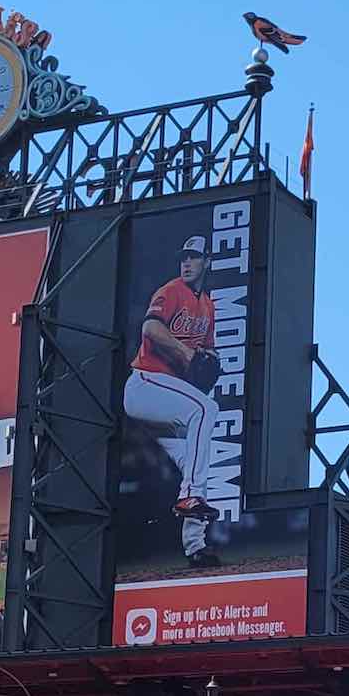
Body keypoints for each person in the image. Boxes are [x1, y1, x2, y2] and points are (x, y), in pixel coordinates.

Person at [123, 234, 224, 568]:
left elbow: (207, 351)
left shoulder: (207, 304)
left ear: (207, 261)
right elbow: (150, 329)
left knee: (197, 459)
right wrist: (185, 352)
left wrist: (208, 358)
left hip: (166, 404)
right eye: (184, 256)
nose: (187, 262)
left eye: (194, 257)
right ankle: (190, 497)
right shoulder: (170, 291)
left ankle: (195, 547)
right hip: (145, 386)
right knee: (205, 410)